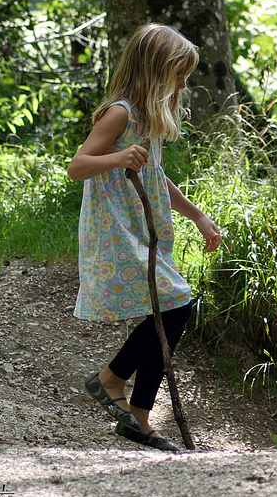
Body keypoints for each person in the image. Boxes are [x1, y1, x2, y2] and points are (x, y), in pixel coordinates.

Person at [67, 23, 222, 451]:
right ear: (156, 70)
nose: (183, 83)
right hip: (115, 229)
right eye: (178, 73)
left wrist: (199, 217)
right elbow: (77, 165)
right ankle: (110, 378)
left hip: (140, 228)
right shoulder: (120, 113)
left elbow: (155, 175)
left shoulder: (148, 120)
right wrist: (117, 155)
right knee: (175, 305)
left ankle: (138, 418)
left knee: (169, 310)